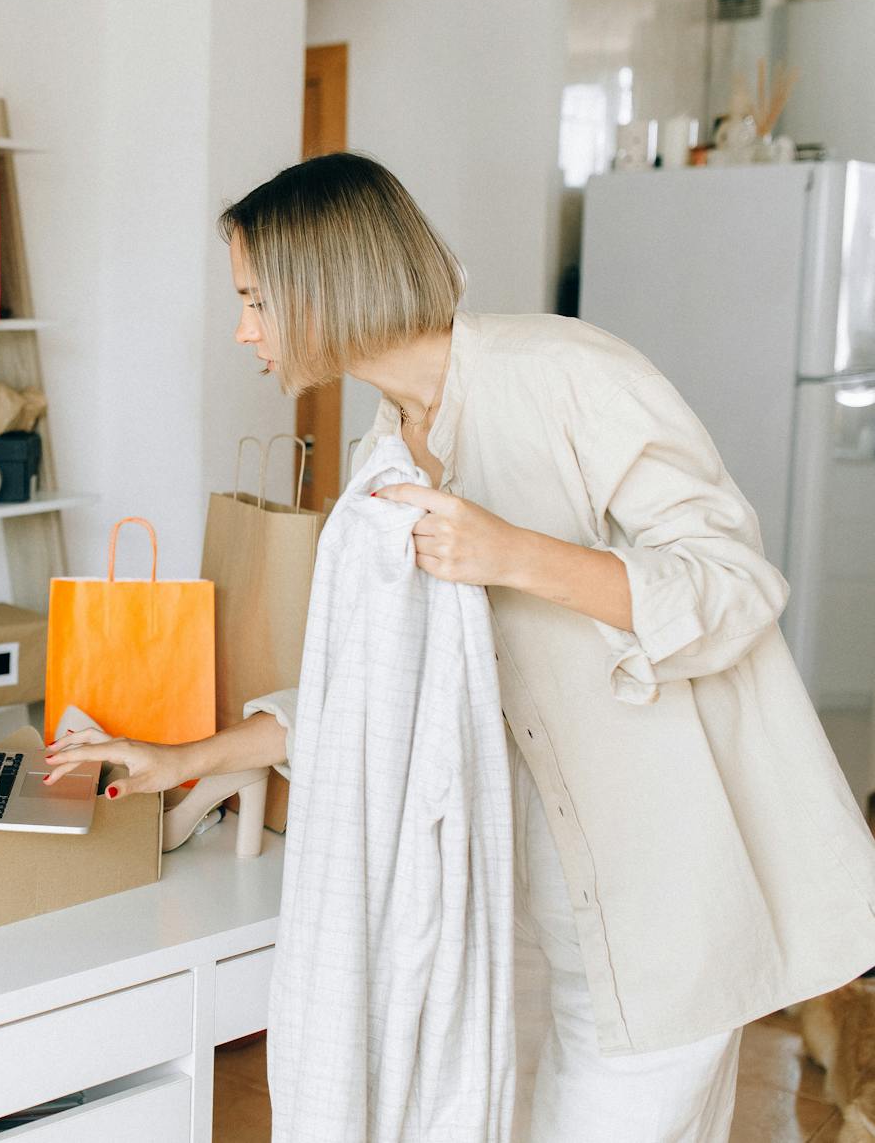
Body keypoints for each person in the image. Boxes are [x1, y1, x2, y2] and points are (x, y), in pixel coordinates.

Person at [44, 152, 875, 1142]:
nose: (241, 330)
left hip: (666, 895)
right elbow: (369, 700)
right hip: (528, 906)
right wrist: (182, 760)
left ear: (325, 286)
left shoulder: (564, 372)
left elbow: (734, 583)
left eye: (254, 299)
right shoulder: (383, 454)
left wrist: (510, 552)